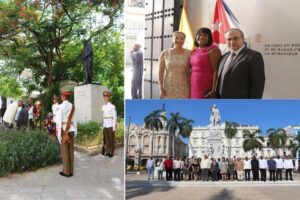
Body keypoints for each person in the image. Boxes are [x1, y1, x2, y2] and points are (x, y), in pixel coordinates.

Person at [215, 28, 265, 98]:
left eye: (235, 38)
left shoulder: (253, 56)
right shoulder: (224, 56)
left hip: (240, 102)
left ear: (243, 39)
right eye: (229, 39)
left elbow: (258, 84)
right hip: (221, 100)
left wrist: (253, 105)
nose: (232, 42)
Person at [190, 27, 221, 99]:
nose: (201, 37)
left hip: (206, 83)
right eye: (199, 35)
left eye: (205, 35)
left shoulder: (213, 50)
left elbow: (216, 70)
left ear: (209, 38)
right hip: (194, 83)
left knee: (204, 107)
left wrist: (214, 89)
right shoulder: (195, 51)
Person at [159, 31, 192, 99]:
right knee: (170, 107)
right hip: (169, 85)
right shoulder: (165, 53)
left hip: (184, 86)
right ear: (172, 39)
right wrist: (161, 88)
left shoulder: (189, 53)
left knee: (183, 107)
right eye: (176, 38)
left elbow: (190, 70)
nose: (179, 40)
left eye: (181, 38)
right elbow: (160, 71)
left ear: (184, 40)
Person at [56, 91, 77, 177]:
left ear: (64, 96)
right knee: (71, 151)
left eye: (61, 95)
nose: (61, 96)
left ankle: (66, 172)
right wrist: (75, 131)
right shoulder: (72, 106)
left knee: (64, 152)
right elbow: (75, 120)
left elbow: (58, 122)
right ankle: (71, 171)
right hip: (71, 130)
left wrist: (60, 134)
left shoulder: (60, 107)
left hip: (63, 130)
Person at [102, 90, 118, 157]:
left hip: (110, 124)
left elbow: (114, 116)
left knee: (111, 139)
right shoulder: (103, 106)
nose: (105, 97)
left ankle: (111, 152)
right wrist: (103, 125)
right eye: (104, 96)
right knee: (106, 139)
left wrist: (114, 125)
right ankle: (107, 151)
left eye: (107, 96)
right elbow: (103, 117)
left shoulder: (112, 106)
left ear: (109, 97)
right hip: (105, 124)